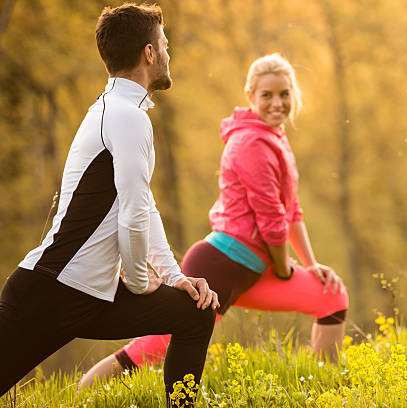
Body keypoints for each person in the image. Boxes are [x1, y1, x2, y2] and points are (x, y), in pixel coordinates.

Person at [79, 54, 349, 387]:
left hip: (255, 268)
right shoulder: (250, 143)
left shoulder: (275, 137)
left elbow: (292, 210)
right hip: (221, 265)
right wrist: (284, 267)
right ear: (250, 96)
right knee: (155, 346)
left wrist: (310, 265)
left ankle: (329, 390)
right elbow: (272, 220)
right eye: (267, 95)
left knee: (331, 297)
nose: (277, 103)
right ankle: (86, 392)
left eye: (284, 94)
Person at [0, 4, 219, 406]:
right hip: (48, 292)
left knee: (194, 312)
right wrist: (139, 282)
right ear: (149, 54)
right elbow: (133, 215)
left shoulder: (121, 112)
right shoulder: (124, 116)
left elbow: (143, 205)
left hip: (92, 295)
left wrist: (172, 277)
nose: (169, 54)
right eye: (165, 46)